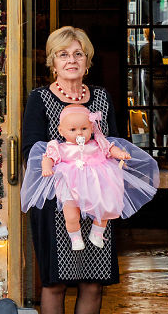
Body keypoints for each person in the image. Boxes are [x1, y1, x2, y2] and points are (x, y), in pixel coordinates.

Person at [22, 26, 120, 314]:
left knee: (92, 282)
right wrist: (70, 167)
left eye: (78, 54)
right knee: (56, 282)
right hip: (55, 201)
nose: (71, 60)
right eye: (63, 54)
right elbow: (33, 151)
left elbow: (114, 142)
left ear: (88, 60)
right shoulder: (40, 99)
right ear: (53, 62)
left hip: (97, 202)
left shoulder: (103, 99)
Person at [23, 104, 157, 250]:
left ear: (92, 128)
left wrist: (120, 154)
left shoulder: (98, 144)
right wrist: (47, 167)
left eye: (84, 129)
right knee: (71, 215)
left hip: (96, 185)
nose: (79, 133)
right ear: (61, 131)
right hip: (70, 184)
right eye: (73, 130)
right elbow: (48, 157)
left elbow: (111, 149)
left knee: (108, 205)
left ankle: (97, 232)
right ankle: (75, 237)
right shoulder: (59, 147)